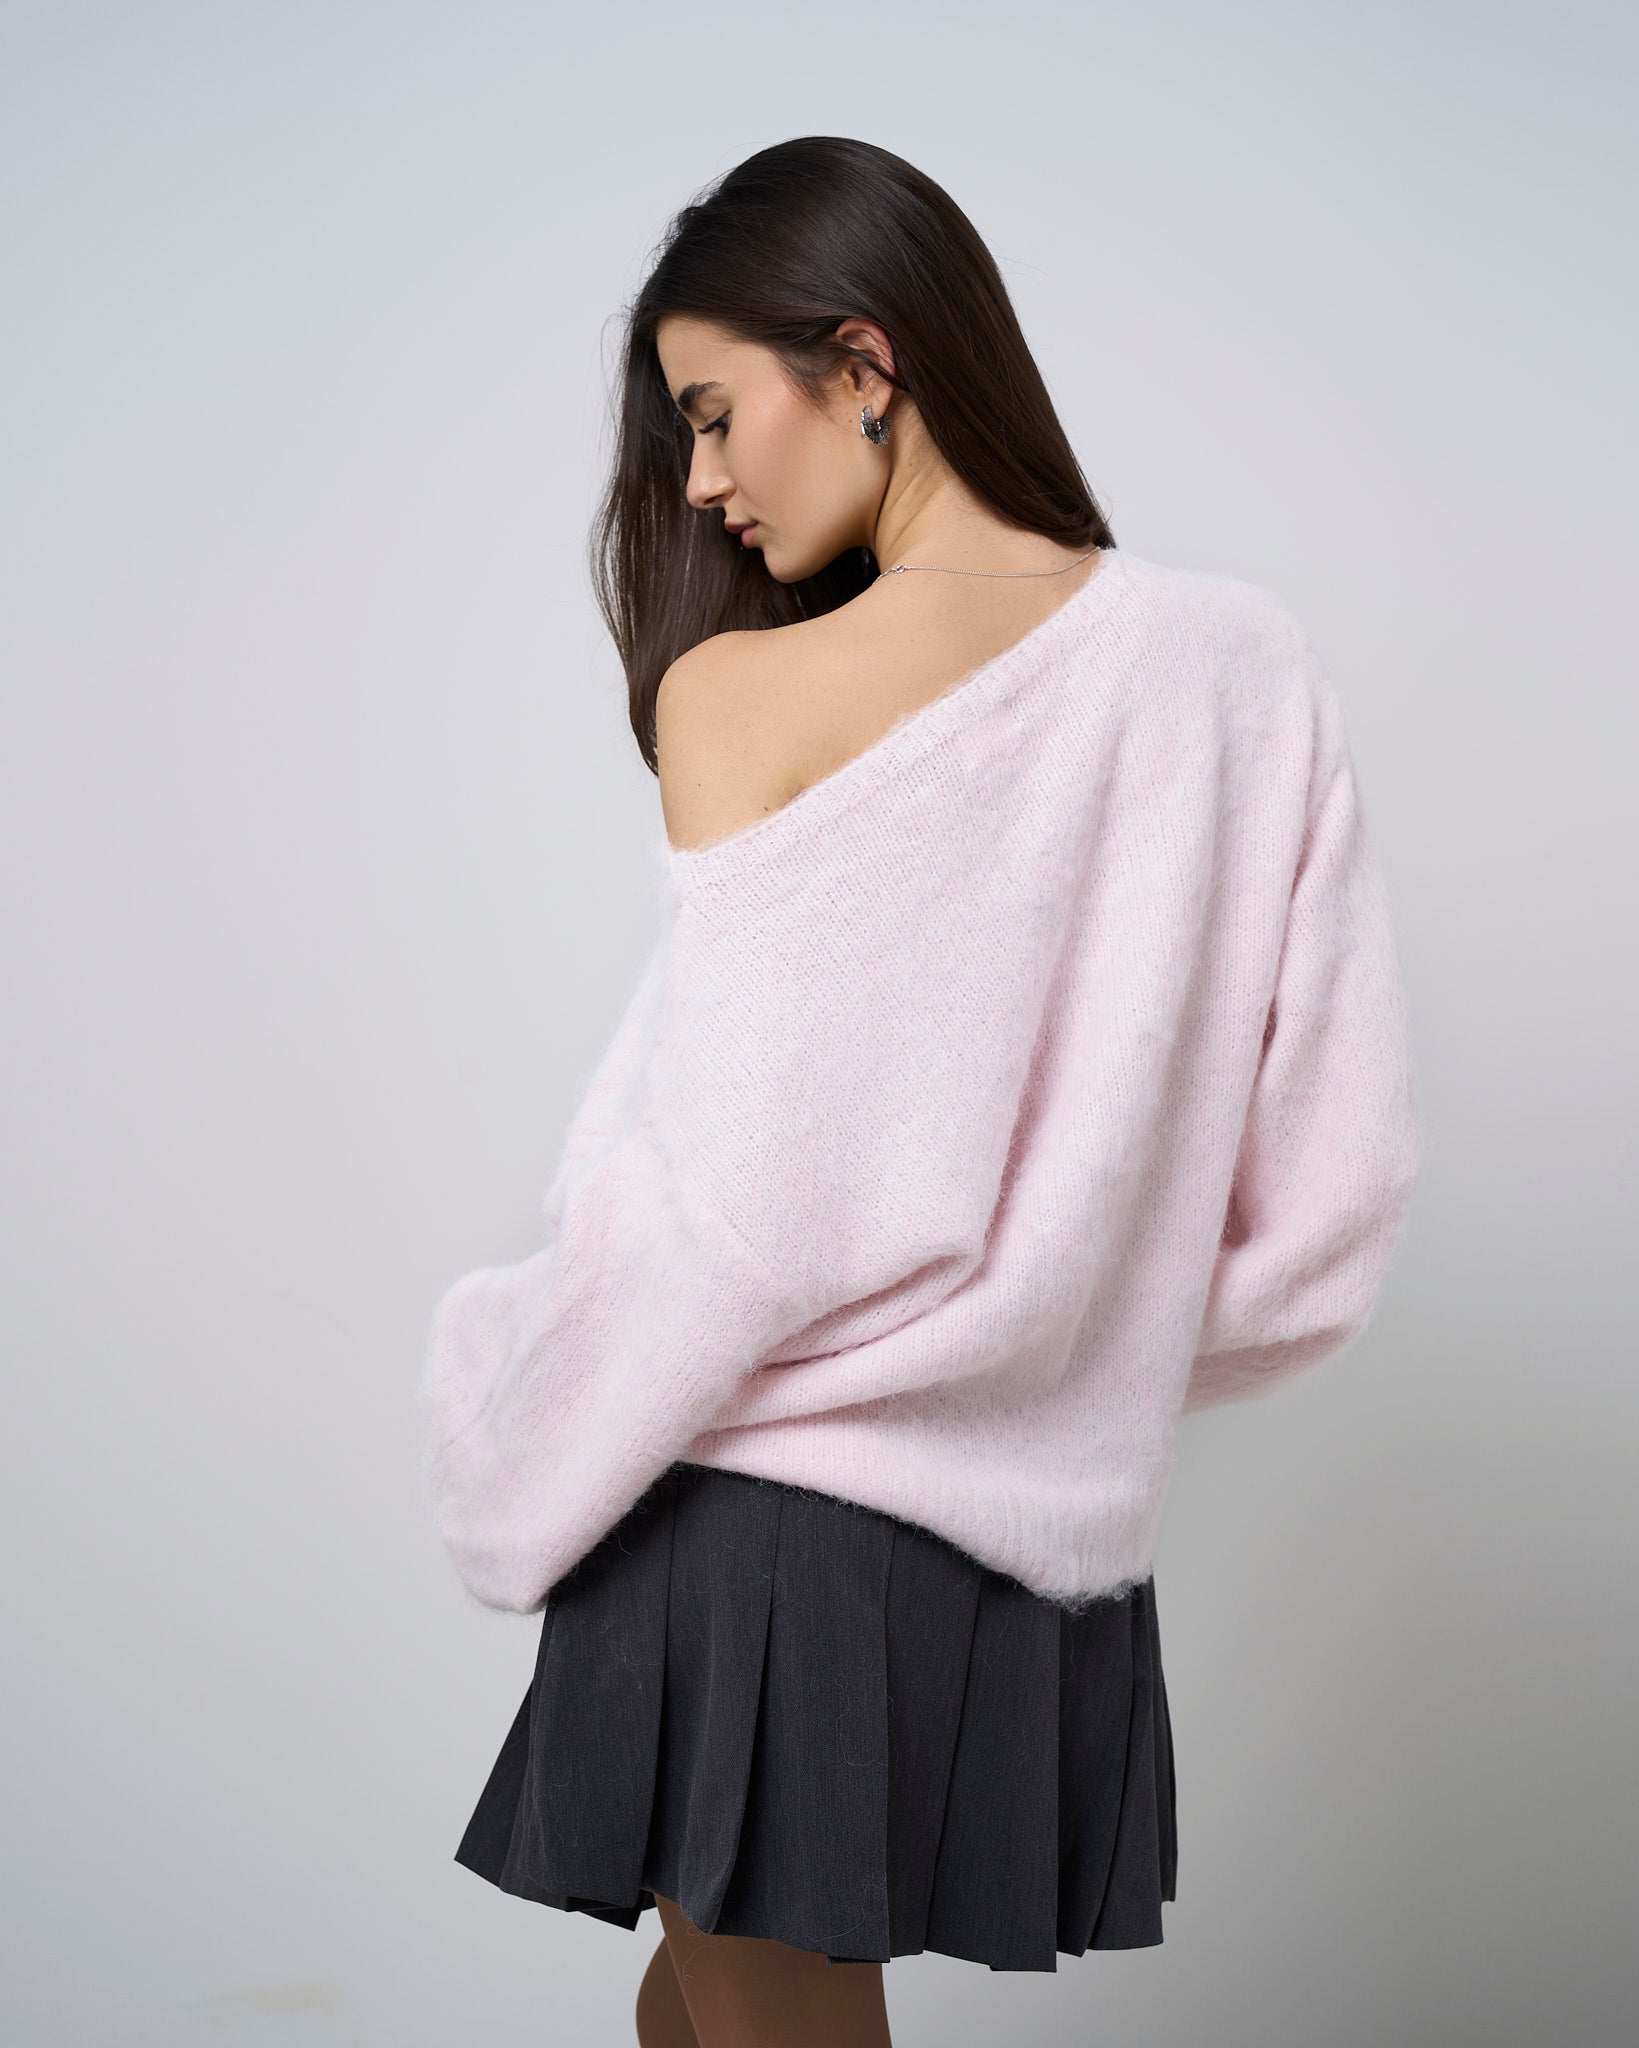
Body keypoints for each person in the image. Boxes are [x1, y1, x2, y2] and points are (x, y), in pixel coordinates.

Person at [420, 137, 1421, 2048]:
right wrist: (1055, 1350)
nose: (697, 483)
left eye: (712, 415)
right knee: (688, 2022)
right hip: (1041, 1551)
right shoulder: (1245, 671)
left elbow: (731, 1215)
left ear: (864, 365)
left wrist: (510, 1433)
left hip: (758, 1536)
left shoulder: (741, 696)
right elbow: (1327, 1219)